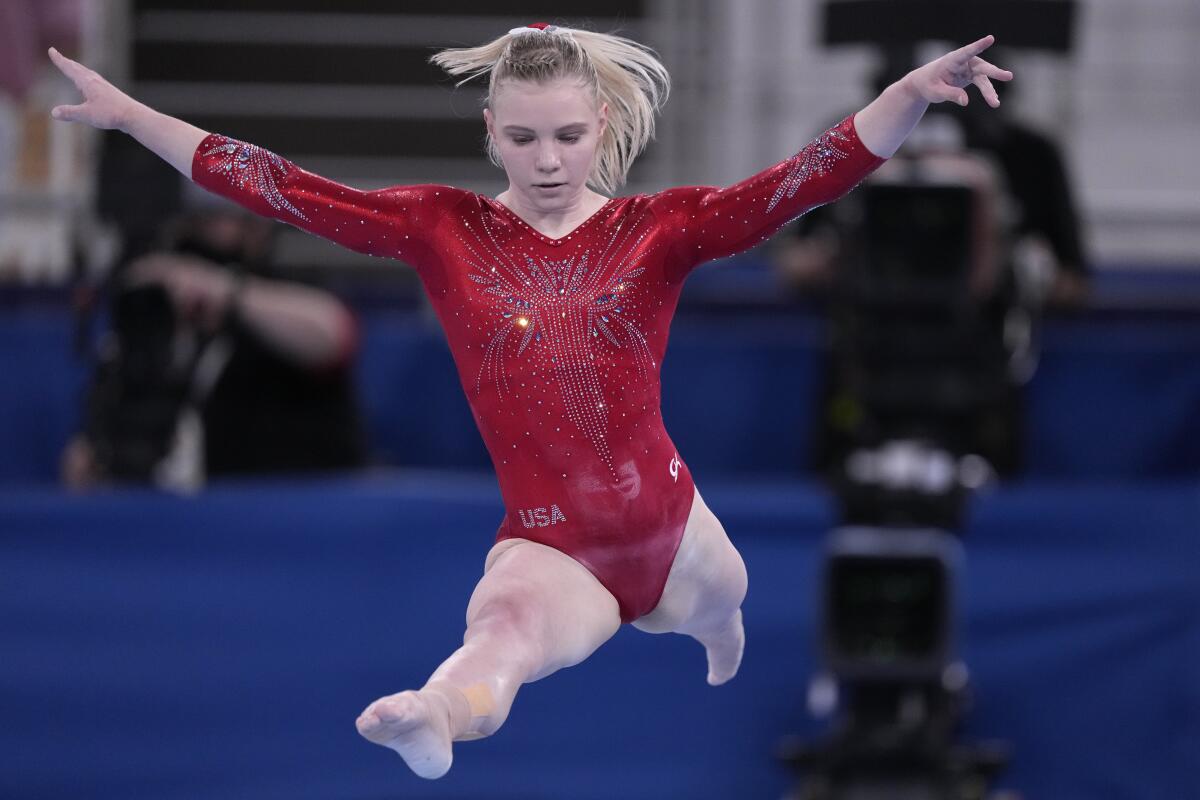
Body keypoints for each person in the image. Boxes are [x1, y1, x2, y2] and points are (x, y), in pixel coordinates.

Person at [47, 24, 1011, 779]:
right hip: (554, 548)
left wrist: (906, 97)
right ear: (489, 131)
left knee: (723, 605)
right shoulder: (440, 226)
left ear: (600, 123)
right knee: (497, 639)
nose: (546, 160)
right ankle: (431, 718)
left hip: (674, 526)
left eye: (566, 135)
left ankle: (719, 634)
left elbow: (801, 181)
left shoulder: (660, 229)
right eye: (521, 138)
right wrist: (135, 117)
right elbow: (281, 188)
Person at [62, 207, 365, 491]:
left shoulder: (276, 292)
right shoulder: (149, 322)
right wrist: (94, 454)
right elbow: (118, 419)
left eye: (232, 213)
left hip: (287, 506)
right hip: (184, 516)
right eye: (205, 216)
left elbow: (334, 335)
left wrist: (225, 292)